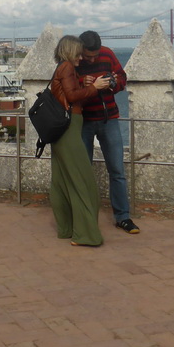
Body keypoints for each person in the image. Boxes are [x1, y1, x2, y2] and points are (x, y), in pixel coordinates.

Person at [49, 35, 112, 246]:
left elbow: (70, 95)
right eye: (78, 52)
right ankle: (85, 235)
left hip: (60, 129)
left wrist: (86, 85)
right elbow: (72, 97)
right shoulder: (67, 67)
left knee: (61, 180)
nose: (81, 57)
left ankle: (66, 229)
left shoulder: (63, 67)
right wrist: (97, 87)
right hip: (69, 129)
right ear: (70, 51)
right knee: (82, 181)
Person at [76, 30, 138, 234]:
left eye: (95, 55)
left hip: (108, 118)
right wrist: (83, 83)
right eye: (88, 56)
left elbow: (122, 78)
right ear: (80, 49)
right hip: (84, 121)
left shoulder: (108, 54)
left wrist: (112, 83)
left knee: (117, 170)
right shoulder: (75, 59)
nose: (92, 59)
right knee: (83, 171)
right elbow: (65, 86)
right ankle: (85, 217)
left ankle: (123, 217)